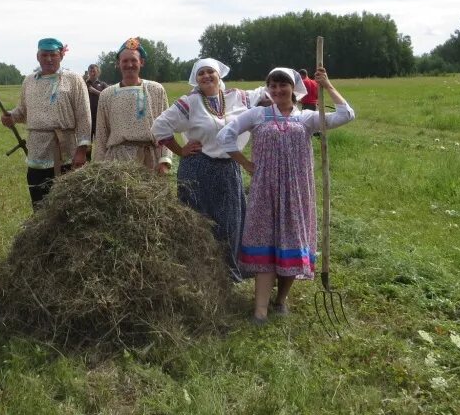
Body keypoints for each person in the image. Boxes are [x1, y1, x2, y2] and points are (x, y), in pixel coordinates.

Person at [217, 67, 355, 324]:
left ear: (294, 89)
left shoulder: (307, 119)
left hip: (296, 193)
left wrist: (327, 86)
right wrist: (245, 163)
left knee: (290, 244)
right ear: (268, 88)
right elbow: (226, 135)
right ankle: (260, 310)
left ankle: (280, 300)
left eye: (283, 85)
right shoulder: (258, 114)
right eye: (273, 85)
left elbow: (347, 114)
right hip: (265, 190)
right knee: (265, 246)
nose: (278, 90)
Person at [151, 58, 268, 282]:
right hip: (198, 168)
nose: (206, 76)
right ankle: (199, 274)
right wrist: (179, 150)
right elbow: (159, 126)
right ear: (196, 79)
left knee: (230, 221)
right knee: (199, 221)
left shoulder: (237, 97)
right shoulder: (190, 102)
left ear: (219, 75)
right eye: (201, 73)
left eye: (210, 72)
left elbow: (268, 92)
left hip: (228, 167)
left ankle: (228, 274)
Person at [1, 38, 92, 208]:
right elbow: (23, 111)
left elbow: (84, 116)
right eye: (44, 55)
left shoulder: (73, 80)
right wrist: (11, 116)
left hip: (66, 153)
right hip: (37, 153)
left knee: (67, 207)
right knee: (39, 204)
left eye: (53, 55)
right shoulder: (29, 81)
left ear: (61, 56)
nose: (49, 59)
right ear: (37, 57)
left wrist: (82, 150)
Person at [93, 38, 172, 174]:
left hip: (150, 160)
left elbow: (166, 127)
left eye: (134, 60)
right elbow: (101, 133)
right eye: (125, 61)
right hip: (116, 162)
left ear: (141, 62)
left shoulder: (156, 89)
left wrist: (164, 160)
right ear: (118, 63)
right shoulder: (107, 94)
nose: (129, 64)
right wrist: (100, 167)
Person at [86, 63, 108, 141]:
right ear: (88, 72)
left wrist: (96, 92)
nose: (92, 73)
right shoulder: (84, 84)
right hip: (87, 117)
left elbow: (108, 97)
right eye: (90, 71)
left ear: (98, 72)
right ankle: (87, 154)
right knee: (87, 142)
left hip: (100, 116)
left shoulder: (103, 84)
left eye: (94, 71)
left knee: (100, 141)